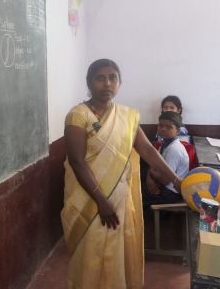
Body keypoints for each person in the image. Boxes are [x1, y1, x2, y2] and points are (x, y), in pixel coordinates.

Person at [61, 59, 183, 289]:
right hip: (90, 199)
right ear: (89, 82)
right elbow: (77, 162)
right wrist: (101, 201)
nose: (107, 83)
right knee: (91, 252)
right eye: (100, 78)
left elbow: (147, 149)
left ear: (119, 82)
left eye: (113, 78)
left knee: (116, 252)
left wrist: (176, 180)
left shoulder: (126, 116)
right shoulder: (78, 115)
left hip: (119, 198)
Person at [142, 111, 189, 207]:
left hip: (171, 192)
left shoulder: (174, 150)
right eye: (160, 125)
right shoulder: (164, 144)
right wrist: (149, 177)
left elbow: (165, 181)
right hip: (162, 184)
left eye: (168, 127)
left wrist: (150, 173)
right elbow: (153, 165)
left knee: (134, 194)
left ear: (177, 131)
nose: (163, 129)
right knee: (135, 181)